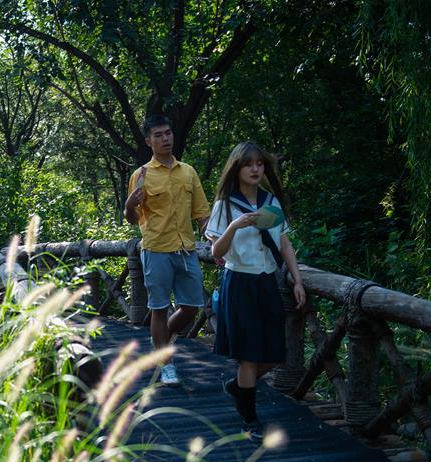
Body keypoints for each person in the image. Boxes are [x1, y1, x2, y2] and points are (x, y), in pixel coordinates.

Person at [205, 141, 306, 441]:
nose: (255, 169)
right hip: (239, 282)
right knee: (248, 357)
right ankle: (250, 419)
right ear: (237, 168)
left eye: (259, 164)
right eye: (248, 164)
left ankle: (238, 386)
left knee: (274, 354)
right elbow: (216, 251)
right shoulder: (225, 204)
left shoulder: (270, 201)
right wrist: (234, 226)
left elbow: (284, 243)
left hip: (267, 282)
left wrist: (298, 280)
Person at [125, 115, 211, 386]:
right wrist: (129, 205)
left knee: (191, 306)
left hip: (186, 250)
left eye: (168, 133)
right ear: (148, 140)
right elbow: (132, 217)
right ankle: (166, 362)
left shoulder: (188, 172)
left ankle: (158, 343)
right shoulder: (141, 175)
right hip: (156, 250)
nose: (166, 138)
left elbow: (202, 215)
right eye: (159, 135)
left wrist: (216, 242)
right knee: (159, 309)